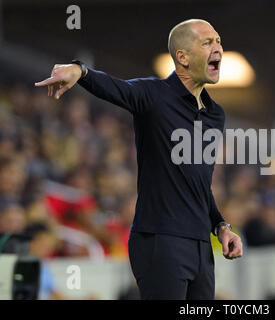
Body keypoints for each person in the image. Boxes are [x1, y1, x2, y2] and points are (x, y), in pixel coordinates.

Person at [35, 19, 243, 300]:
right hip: (160, 240)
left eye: (218, 41)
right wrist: (81, 71)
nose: (217, 47)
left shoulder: (215, 114)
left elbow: (199, 185)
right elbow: (116, 88)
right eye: (207, 42)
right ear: (182, 56)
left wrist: (220, 226)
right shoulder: (154, 95)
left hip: (201, 246)